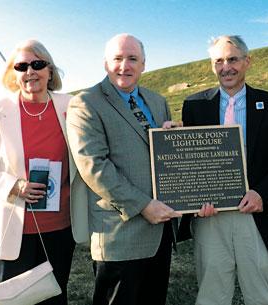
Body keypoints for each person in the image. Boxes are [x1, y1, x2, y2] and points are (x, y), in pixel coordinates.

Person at [66, 33, 181, 305]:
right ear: (106, 64)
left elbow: (160, 155)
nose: (124, 66)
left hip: (161, 230)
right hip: (120, 233)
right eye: (117, 58)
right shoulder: (85, 103)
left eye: (132, 59)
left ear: (144, 64)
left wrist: (172, 138)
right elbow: (94, 166)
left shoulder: (157, 101)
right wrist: (143, 205)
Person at [180, 35, 268, 305]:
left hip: (255, 212)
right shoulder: (195, 105)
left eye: (232, 59)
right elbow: (188, 161)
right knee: (211, 294)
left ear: (247, 62)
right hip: (211, 216)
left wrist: (262, 194)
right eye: (218, 61)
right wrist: (193, 198)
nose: (226, 67)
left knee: (260, 294)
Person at [0, 39, 89, 305]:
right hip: (10, 227)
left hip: (59, 228)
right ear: (13, 73)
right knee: (15, 300)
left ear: (50, 71)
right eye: (22, 66)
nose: (30, 72)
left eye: (37, 64)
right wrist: (13, 185)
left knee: (53, 297)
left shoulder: (71, 106)